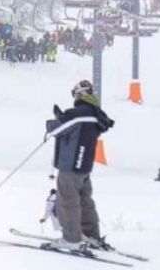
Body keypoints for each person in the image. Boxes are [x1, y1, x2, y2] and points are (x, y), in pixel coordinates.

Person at [45, 80, 115, 250]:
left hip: (70, 165)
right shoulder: (96, 114)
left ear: (79, 94)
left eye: (74, 94)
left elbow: (56, 129)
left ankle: (71, 239)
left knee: (68, 200)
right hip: (84, 165)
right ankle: (90, 234)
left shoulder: (77, 113)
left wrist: (56, 120)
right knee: (84, 200)